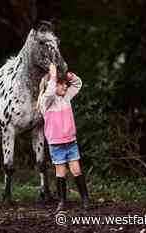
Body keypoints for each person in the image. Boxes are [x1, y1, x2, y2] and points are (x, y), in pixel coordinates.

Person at [38, 63, 89, 211]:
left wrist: (67, 75)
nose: (65, 87)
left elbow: (78, 84)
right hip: (56, 145)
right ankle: (62, 202)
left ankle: (85, 198)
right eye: (62, 85)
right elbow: (49, 93)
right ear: (52, 86)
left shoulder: (66, 98)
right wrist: (53, 76)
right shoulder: (46, 102)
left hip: (71, 142)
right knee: (61, 173)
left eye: (65, 85)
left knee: (76, 170)